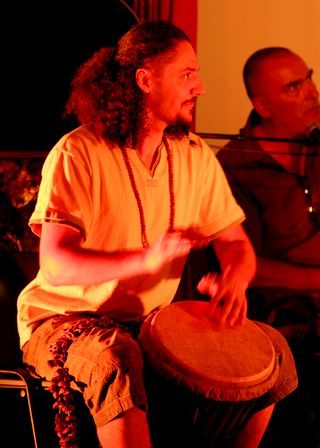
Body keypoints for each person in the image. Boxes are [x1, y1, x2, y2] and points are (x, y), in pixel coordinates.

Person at [17, 25, 297, 448]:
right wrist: (143, 259)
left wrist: (234, 282)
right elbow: (56, 264)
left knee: (271, 350)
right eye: (187, 75)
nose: (200, 87)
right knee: (117, 357)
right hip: (62, 322)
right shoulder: (79, 153)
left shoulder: (193, 156)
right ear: (145, 79)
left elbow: (236, 244)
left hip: (146, 324)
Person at [217, 47, 320, 446]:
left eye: (309, 78)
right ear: (262, 106)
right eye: (294, 87)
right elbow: (247, 265)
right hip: (279, 307)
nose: (311, 93)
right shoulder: (235, 165)